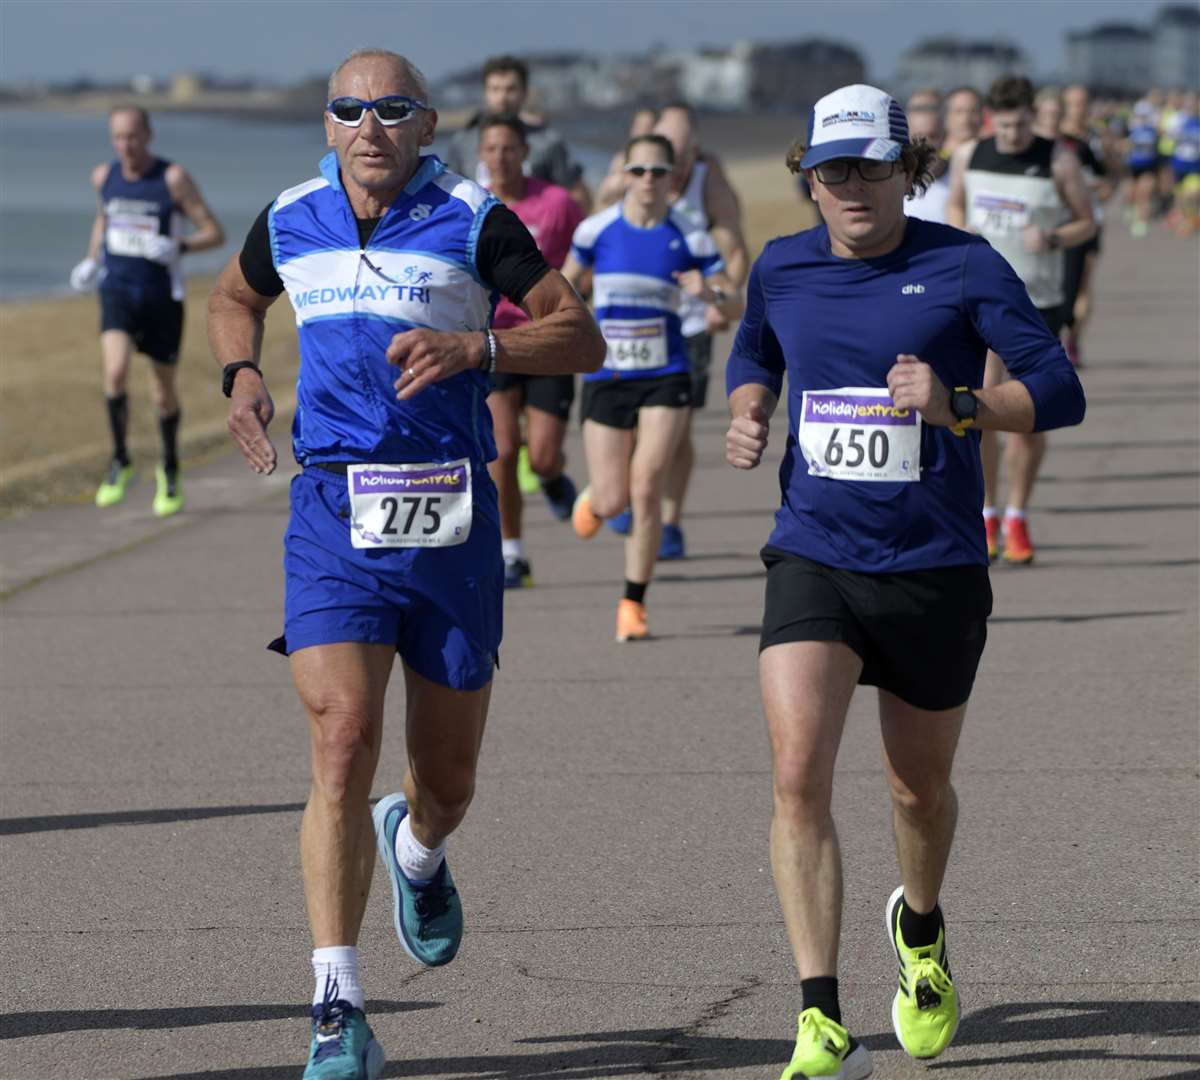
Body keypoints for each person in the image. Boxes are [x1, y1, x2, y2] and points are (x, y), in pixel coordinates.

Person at [206, 49, 603, 1079]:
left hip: (449, 516)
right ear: (329, 124)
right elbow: (232, 299)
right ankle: (337, 1005)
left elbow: (581, 335)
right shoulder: (290, 215)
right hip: (334, 506)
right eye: (349, 108)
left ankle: (417, 851)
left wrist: (484, 353)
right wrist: (242, 372)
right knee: (343, 738)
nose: (369, 124)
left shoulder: (476, 220)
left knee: (449, 778)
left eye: (392, 109)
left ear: (427, 125)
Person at [724, 83, 1086, 1080]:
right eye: (831, 169)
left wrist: (962, 403)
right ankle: (819, 1014)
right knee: (799, 776)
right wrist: (750, 407)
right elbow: (752, 350)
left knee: (916, 791)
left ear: (905, 171)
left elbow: (1060, 389)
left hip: (934, 566)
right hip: (815, 555)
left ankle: (920, 931)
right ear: (808, 177)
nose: (851, 187)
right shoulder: (784, 266)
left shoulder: (962, 264)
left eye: (871, 168)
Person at [563, 133, 741, 641]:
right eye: (636, 171)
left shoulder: (690, 235)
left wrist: (709, 293)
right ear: (621, 176)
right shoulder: (597, 231)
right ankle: (597, 501)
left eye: (657, 172)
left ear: (673, 178)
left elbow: (735, 303)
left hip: (667, 374)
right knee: (617, 499)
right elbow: (562, 287)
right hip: (608, 375)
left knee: (647, 487)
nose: (646, 181)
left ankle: (632, 603)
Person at [946, 75, 1095, 564]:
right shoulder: (972, 153)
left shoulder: (1058, 159)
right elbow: (955, 203)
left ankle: (1018, 514)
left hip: (1038, 301)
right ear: (993, 119)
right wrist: (957, 231)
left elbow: (1086, 221)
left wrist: (1053, 238)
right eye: (1004, 125)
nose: (1011, 135)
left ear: (1033, 116)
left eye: (1020, 124)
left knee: (1031, 416)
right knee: (982, 410)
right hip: (981, 300)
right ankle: (987, 512)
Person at [598, 103, 750, 559]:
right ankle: (624, 492)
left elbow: (734, 245)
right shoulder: (633, 169)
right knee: (627, 417)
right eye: (668, 158)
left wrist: (723, 296)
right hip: (630, 318)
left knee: (676, 427)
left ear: (695, 153)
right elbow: (600, 223)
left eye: (683, 160)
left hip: (688, 319)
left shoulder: (709, 178)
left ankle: (669, 518)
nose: (674, 170)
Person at [70, 105, 224, 516]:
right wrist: (91, 260)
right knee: (115, 373)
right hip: (116, 290)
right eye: (119, 138)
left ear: (148, 136)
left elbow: (214, 232)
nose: (127, 146)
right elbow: (104, 220)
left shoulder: (172, 179)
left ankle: (170, 467)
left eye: (133, 137)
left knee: (162, 391)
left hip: (160, 296)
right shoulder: (104, 177)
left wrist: (180, 247)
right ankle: (121, 461)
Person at [477, 114, 585, 588]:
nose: (500, 157)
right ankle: (512, 552)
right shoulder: (471, 205)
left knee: (541, 456)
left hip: (546, 340)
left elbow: (586, 257)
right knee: (501, 449)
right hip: (494, 341)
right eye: (492, 148)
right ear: (481, 154)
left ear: (525, 153)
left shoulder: (557, 203)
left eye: (509, 148)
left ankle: (553, 478)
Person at [444, 54, 591, 212]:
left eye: (510, 89)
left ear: (524, 93)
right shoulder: (463, 142)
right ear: (485, 92)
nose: (502, 98)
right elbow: (450, 192)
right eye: (495, 89)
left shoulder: (548, 142)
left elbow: (576, 194)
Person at [1058, 85, 1114, 366]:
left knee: (1085, 284)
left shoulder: (1094, 139)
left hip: (1094, 220)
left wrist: (1105, 185)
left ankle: (1073, 340)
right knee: (1063, 288)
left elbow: (1109, 178)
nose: (1080, 109)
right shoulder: (1056, 139)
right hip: (1064, 222)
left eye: (1084, 103)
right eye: (1075, 103)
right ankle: (1057, 337)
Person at [903, 89, 950, 224]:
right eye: (918, 137)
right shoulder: (893, 184)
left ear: (945, 135)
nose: (925, 145)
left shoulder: (962, 180)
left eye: (932, 136)